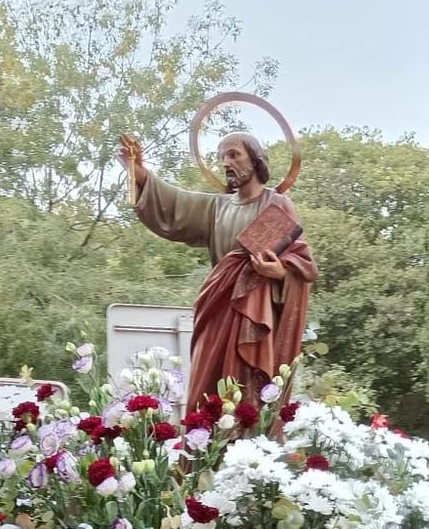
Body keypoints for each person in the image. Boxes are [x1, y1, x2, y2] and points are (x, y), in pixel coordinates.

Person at [118, 131, 316, 410]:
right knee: (205, 393)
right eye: (221, 156)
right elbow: (175, 204)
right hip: (216, 311)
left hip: (254, 316)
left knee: (245, 394)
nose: (226, 162)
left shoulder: (276, 204)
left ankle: (250, 451)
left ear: (255, 159)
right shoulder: (217, 207)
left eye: (234, 154)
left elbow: (302, 264)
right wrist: (137, 172)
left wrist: (279, 273)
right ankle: (205, 448)